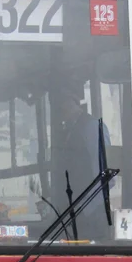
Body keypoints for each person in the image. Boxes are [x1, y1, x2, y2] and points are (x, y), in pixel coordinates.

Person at [50, 84, 112, 241]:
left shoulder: (91, 127)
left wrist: (86, 208)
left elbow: (105, 175)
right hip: (73, 212)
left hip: (90, 215)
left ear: (72, 102)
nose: (59, 109)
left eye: (62, 103)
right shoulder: (68, 130)